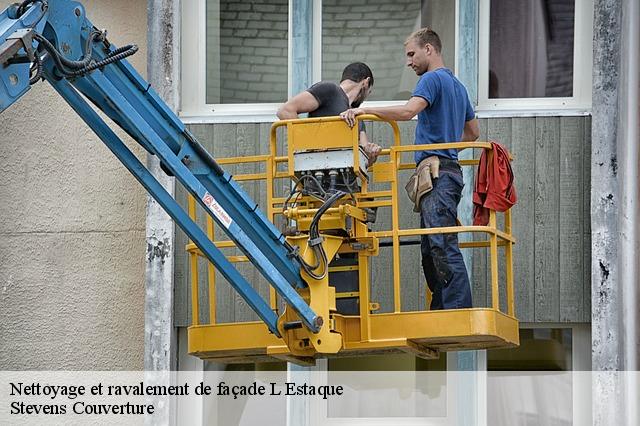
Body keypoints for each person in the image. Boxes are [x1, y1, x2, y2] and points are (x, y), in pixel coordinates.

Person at [340, 28, 480, 310]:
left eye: (412, 53)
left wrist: (365, 111)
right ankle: (443, 307)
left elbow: (407, 112)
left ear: (429, 49)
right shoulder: (458, 86)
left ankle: (455, 310)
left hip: (437, 174)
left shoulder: (431, 79)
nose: (409, 61)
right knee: (432, 246)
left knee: (440, 243)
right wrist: (446, 148)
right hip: (446, 171)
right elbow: (473, 133)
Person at [277, 62, 382, 166]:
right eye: (369, 92)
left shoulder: (358, 117)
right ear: (366, 82)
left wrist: (372, 154)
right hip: (317, 176)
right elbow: (285, 111)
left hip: (347, 181)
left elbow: (365, 156)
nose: (365, 99)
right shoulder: (330, 90)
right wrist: (309, 145)